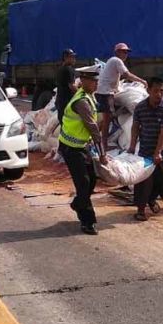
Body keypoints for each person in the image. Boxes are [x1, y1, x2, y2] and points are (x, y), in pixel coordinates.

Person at [58, 68, 108, 235]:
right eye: (94, 81)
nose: (96, 83)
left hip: (81, 147)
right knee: (84, 183)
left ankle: (78, 203)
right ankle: (88, 221)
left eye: (97, 81)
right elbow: (92, 127)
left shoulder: (88, 97)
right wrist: (102, 153)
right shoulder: (81, 101)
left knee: (91, 180)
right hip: (71, 148)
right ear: (84, 81)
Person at [128, 77, 163, 222]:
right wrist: (131, 146)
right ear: (148, 90)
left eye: (161, 91)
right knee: (144, 182)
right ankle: (141, 210)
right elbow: (135, 127)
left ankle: (152, 199)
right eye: (155, 91)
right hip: (145, 151)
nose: (159, 94)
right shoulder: (140, 107)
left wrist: (158, 152)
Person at [96, 43, 146, 149]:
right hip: (106, 93)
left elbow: (114, 79)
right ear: (117, 52)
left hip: (105, 92)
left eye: (127, 52)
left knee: (107, 119)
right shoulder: (116, 60)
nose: (126, 54)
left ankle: (97, 140)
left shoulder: (112, 61)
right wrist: (142, 81)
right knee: (107, 120)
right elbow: (127, 75)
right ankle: (103, 145)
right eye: (124, 51)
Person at [55, 49, 78, 118]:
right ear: (66, 58)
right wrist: (81, 94)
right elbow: (72, 86)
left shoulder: (60, 69)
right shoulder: (68, 69)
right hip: (67, 102)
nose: (74, 59)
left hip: (60, 101)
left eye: (74, 57)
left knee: (63, 122)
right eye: (72, 57)